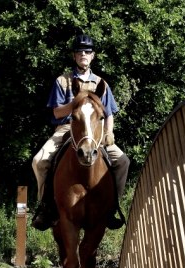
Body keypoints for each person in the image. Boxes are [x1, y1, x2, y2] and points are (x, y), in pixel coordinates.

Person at [31, 34, 130, 231]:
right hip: (68, 127)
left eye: (87, 51)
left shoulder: (102, 84)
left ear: (92, 56)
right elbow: (57, 111)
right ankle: (45, 207)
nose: (83, 54)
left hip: (95, 131)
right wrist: (76, 104)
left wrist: (109, 132)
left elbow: (109, 113)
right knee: (39, 161)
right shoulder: (62, 81)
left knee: (123, 161)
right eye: (79, 52)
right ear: (74, 56)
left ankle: (112, 207)